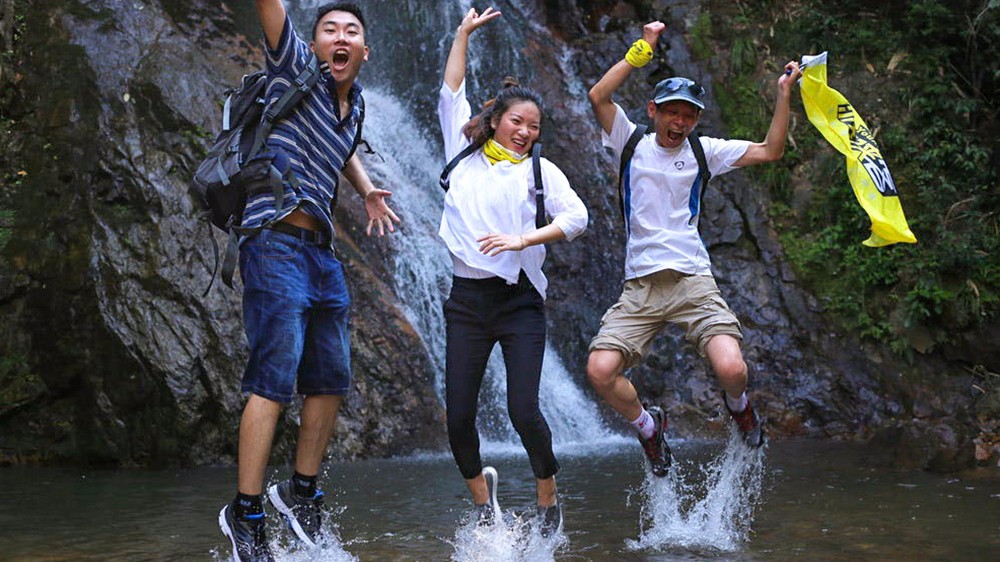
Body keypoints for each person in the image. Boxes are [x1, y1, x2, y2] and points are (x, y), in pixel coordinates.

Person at [218, 2, 400, 561]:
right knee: (272, 378)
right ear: (314, 44)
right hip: (272, 241)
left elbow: (341, 149)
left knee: (330, 379)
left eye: (352, 33)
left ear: (365, 51)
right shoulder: (293, 67)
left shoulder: (358, 104)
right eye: (330, 31)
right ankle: (245, 512)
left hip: (320, 253)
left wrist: (366, 187)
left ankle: (300, 494)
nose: (340, 39)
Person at [586, 20, 802, 477]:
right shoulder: (629, 142)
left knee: (731, 369)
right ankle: (648, 427)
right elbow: (598, 97)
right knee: (601, 371)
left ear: (697, 119)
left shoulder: (705, 151)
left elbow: (771, 150)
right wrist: (641, 50)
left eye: (688, 115)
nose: (679, 122)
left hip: (692, 280)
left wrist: (784, 95)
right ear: (653, 111)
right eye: (671, 113)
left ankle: (739, 407)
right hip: (640, 286)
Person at [438, 7, 588, 538]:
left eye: (534, 126)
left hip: (521, 300)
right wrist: (462, 34)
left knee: (523, 410)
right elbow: (451, 88)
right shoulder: (462, 152)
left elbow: (578, 217)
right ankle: (485, 505)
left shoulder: (541, 169)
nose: (525, 132)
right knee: (458, 419)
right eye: (517, 122)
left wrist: (524, 238)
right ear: (497, 119)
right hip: (466, 302)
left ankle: (548, 499)